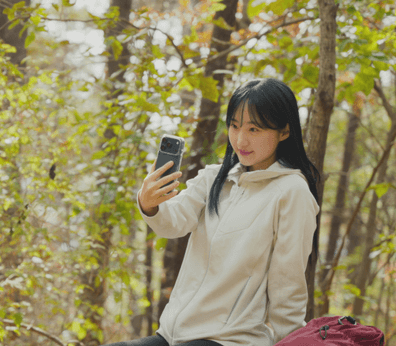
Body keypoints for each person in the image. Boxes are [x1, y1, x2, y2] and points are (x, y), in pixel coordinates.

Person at [108, 78, 320, 346]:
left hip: (229, 339)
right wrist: (150, 202)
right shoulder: (216, 177)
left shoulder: (292, 192)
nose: (241, 139)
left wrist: (289, 341)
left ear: (284, 131)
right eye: (234, 126)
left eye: (254, 129)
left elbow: (287, 285)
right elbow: (174, 222)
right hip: (173, 333)